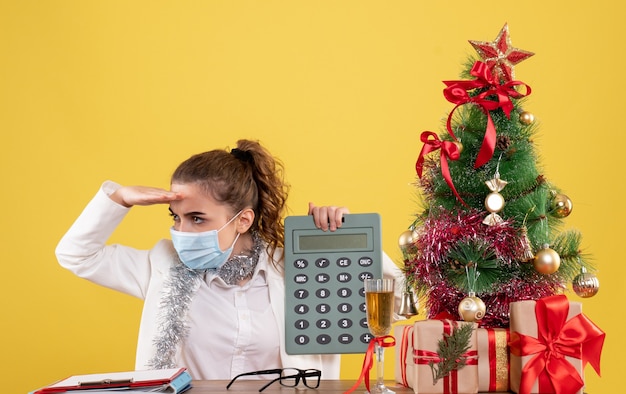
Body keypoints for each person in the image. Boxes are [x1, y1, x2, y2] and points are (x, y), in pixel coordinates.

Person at [56, 139, 403, 381]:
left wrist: (346, 238)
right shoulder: (161, 266)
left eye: (197, 218)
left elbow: (400, 299)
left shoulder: (298, 268)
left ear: (242, 220)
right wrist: (119, 199)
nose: (181, 231)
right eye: (175, 217)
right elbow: (77, 255)